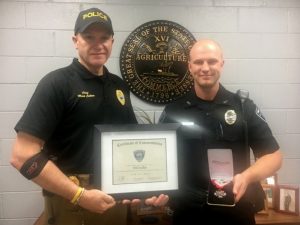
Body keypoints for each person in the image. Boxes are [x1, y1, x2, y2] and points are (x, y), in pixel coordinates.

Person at [10, 7, 168, 225]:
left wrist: (146, 189)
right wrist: (79, 195)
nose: (98, 44)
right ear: (76, 40)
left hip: (114, 200)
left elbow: (130, 145)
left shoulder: (119, 86)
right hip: (71, 201)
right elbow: (22, 156)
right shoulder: (57, 83)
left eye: (104, 38)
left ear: (112, 41)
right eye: (89, 37)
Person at [159, 39, 282, 225]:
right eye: (199, 62)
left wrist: (247, 177)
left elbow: (274, 156)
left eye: (212, 61)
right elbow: (159, 159)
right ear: (190, 66)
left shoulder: (243, 108)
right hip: (189, 212)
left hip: (235, 210)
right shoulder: (173, 111)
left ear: (222, 64)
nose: (205, 68)